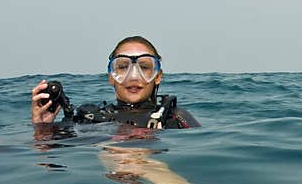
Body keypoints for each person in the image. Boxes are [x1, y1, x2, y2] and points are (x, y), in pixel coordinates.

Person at [30, 35, 199, 130]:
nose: (134, 76)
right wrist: (42, 127)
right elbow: (44, 155)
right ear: (111, 76)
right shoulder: (89, 119)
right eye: (123, 67)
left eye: (145, 67)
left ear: (158, 76)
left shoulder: (177, 118)